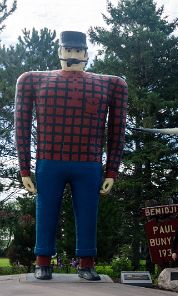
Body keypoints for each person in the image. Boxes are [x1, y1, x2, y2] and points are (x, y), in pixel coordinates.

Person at [14, 31, 128, 281]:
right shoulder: (32, 80)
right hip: (49, 159)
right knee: (45, 210)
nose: (73, 56)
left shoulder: (111, 84)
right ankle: (42, 260)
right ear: (60, 52)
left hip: (88, 162)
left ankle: (86, 262)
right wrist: (24, 169)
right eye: (69, 50)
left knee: (88, 212)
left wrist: (111, 170)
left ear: (86, 55)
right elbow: (20, 126)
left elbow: (117, 130)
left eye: (78, 51)